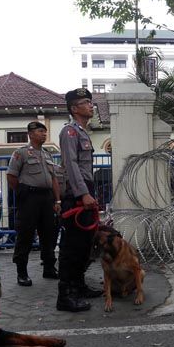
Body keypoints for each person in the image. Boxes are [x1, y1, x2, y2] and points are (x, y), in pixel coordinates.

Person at [56, 88, 104, 312]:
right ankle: (65, 296)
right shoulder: (70, 132)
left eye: (90, 102)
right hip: (76, 194)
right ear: (74, 108)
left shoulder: (84, 132)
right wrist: (82, 193)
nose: (90, 105)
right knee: (72, 247)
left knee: (85, 245)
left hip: (85, 190)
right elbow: (71, 165)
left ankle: (79, 285)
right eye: (86, 102)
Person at [7, 121, 61, 286]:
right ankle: (22, 272)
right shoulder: (21, 153)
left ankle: (49, 268)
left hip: (47, 198)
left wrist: (57, 200)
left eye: (45, 132)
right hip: (29, 198)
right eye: (40, 131)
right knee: (25, 235)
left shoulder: (47, 154)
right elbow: (11, 176)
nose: (44, 134)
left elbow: (54, 180)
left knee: (49, 233)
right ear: (30, 134)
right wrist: (23, 192)